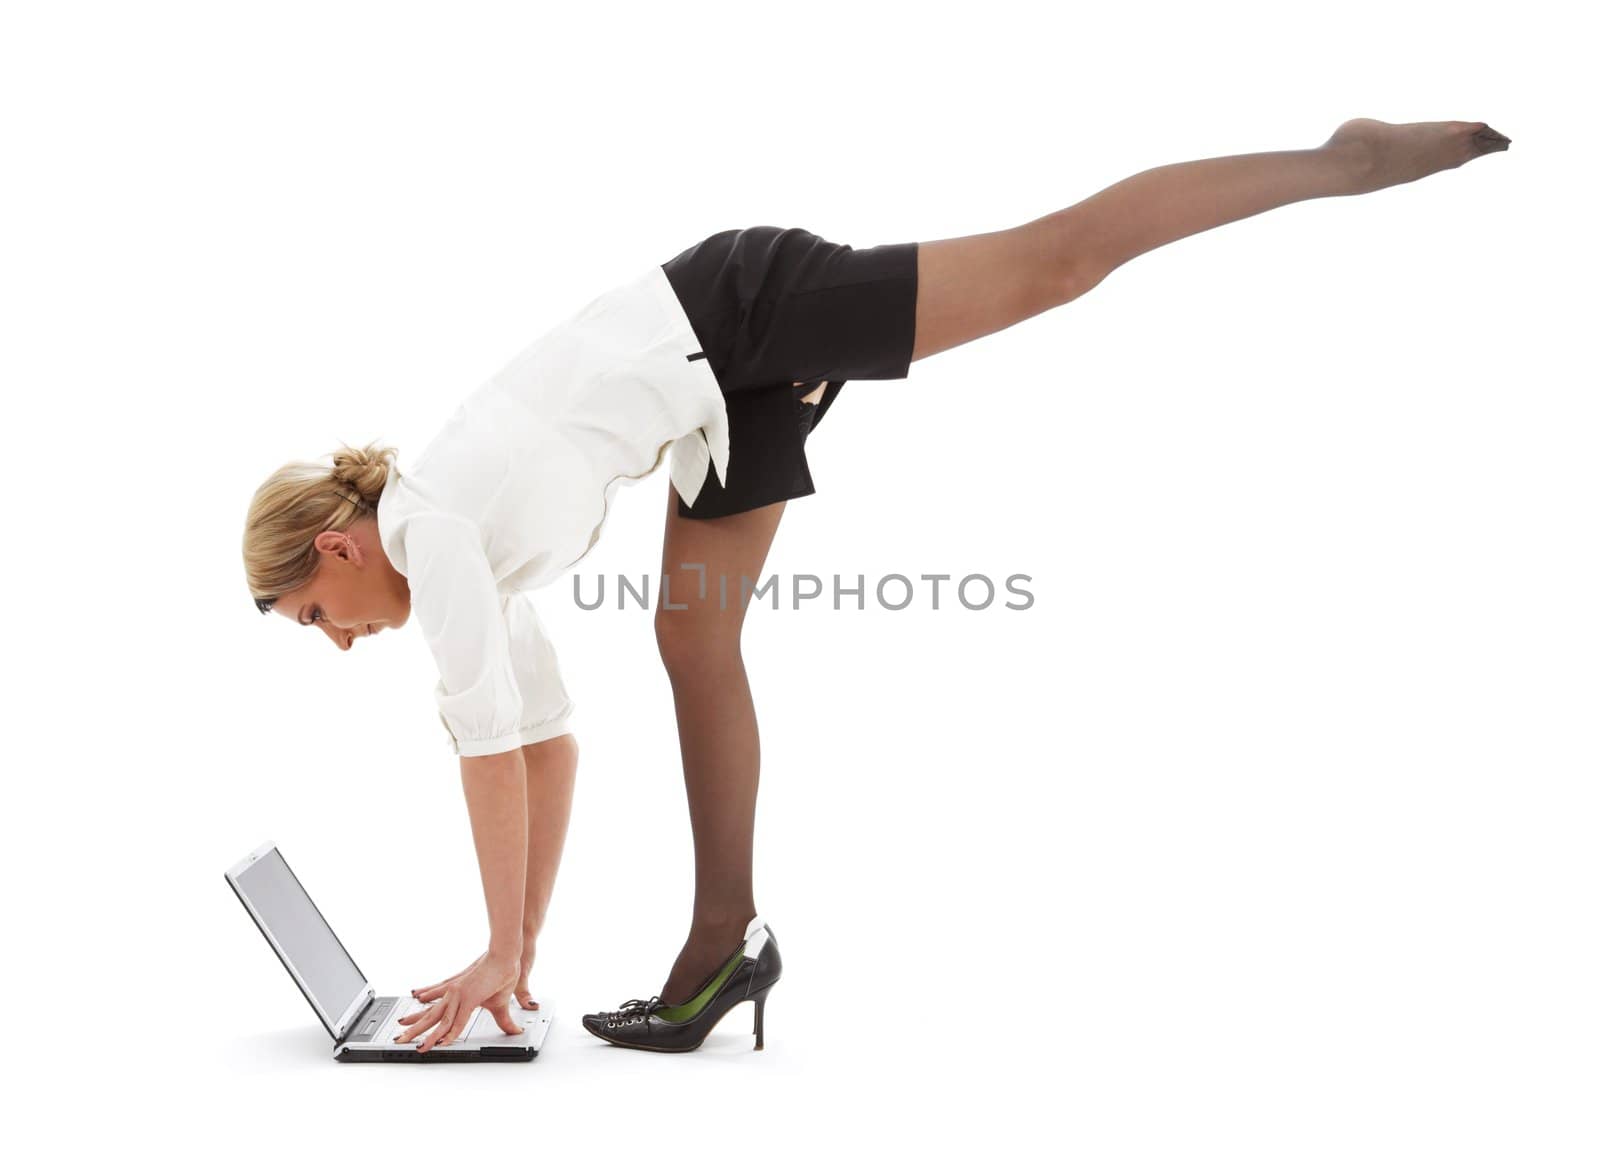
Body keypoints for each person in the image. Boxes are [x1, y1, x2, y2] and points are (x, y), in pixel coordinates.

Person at [240, 117, 1510, 1055]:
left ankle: (1339, 161)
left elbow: (484, 755)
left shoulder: (437, 533)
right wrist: (515, 958)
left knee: (1054, 261)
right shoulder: (450, 542)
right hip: (709, 401)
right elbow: (546, 746)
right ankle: (721, 946)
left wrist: (502, 950)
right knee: (692, 648)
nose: (337, 642)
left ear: (336, 549)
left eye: (312, 620)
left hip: (737, 312)